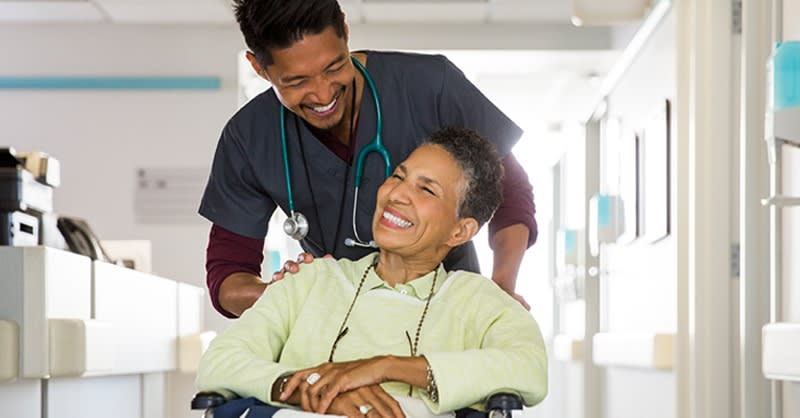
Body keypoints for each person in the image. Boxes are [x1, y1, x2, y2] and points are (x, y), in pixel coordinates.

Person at [199, 0, 538, 319]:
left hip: (448, 314)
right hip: (339, 325)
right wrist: (287, 295)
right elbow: (227, 274)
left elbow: (510, 188)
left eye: (334, 67)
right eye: (297, 82)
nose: (323, 94)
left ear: (345, 30)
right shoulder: (248, 137)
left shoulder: (429, 86)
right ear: (259, 67)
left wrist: (502, 286)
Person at [196, 128, 547, 418]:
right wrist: (315, 391)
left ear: (460, 231)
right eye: (398, 176)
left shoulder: (480, 301)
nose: (397, 194)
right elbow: (220, 361)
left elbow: (529, 368)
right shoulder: (312, 281)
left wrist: (385, 367)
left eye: (426, 189)